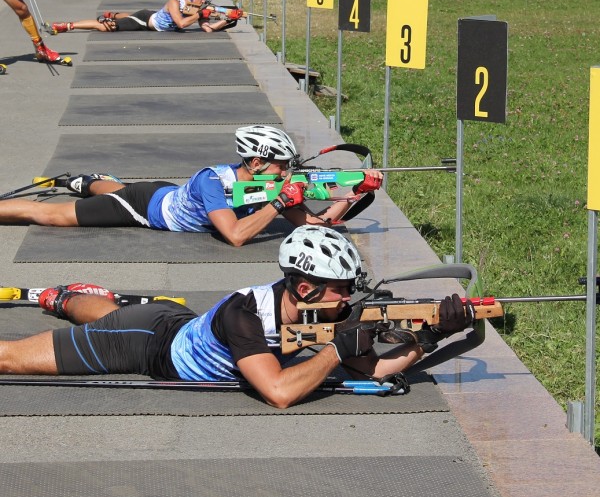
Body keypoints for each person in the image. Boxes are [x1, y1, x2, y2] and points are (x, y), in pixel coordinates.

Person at [0, 226, 475, 408]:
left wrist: (429, 338)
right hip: (142, 343)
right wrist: (336, 350)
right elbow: (279, 392)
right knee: (13, 359)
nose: (350, 298)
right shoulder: (245, 314)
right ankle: (61, 297)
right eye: (343, 290)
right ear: (305, 288)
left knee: (102, 310)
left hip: (170, 319)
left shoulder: (321, 311)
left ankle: (66, 295)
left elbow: (375, 370)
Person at [0, 125, 383, 247]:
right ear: (256, 162)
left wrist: (353, 194)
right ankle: (88, 185)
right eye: (282, 166)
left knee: (112, 187)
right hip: (145, 208)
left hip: (167, 191)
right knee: (47, 214)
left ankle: (84, 181)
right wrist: (280, 203)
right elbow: (234, 236)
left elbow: (316, 227)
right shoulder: (213, 182)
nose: (287, 174)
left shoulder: (270, 187)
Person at [49, 0, 235, 35]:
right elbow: (181, 24)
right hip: (146, 20)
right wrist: (200, 14)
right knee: (108, 27)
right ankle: (67, 26)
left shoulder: (195, 10)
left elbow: (208, 29)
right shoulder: (175, 2)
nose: (203, 2)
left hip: (153, 18)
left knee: (125, 18)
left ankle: (113, 14)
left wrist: (228, 21)